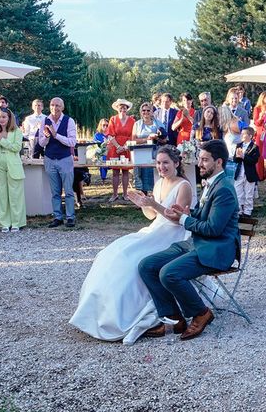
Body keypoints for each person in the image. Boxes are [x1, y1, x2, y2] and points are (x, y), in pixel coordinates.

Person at [70, 146, 193, 344]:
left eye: (165, 163)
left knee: (130, 260)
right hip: (155, 230)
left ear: (176, 163)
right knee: (112, 253)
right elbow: (153, 216)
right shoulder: (160, 182)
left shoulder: (183, 186)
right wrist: (145, 206)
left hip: (173, 235)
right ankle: (99, 313)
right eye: (158, 163)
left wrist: (152, 204)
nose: (161, 167)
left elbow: (177, 219)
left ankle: (130, 314)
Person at [138, 140, 240, 341]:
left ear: (218, 162)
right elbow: (205, 217)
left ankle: (201, 313)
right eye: (200, 159)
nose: (199, 164)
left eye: (204, 160)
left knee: (169, 273)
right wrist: (186, 213)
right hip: (198, 243)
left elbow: (214, 228)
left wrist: (185, 219)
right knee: (146, 265)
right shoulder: (213, 183)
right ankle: (173, 318)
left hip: (217, 250)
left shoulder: (224, 190)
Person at [0, 107, 26, 232]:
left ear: (9, 118)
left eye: (4, 117)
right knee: (1, 194)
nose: (1, 119)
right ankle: (4, 223)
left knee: (15, 194)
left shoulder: (16, 131)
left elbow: (16, 148)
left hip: (13, 165)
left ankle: (16, 222)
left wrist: (2, 140)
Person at [38, 97, 77, 228]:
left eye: (58, 105)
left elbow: (72, 142)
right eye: (53, 105)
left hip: (65, 159)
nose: (55, 108)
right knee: (55, 191)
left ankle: (70, 217)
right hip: (50, 158)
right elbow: (41, 143)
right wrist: (47, 137)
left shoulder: (69, 121)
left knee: (68, 190)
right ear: (50, 106)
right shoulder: (45, 120)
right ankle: (58, 217)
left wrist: (56, 135)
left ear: (62, 107)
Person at [131, 103, 166, 194]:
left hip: (155, 152)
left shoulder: (159, 123)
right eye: (143, 110)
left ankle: (156, 196)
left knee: (155, 174)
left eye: (148, 110)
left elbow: (165, 140)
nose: (146, 112)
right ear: (141, 112)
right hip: (140, 153)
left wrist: (157, 138)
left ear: (152, 112)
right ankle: (143, 197)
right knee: (141, 175)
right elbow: (134, 140)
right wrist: (147, 139)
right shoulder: (137, 124)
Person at [106, 99, 135, 202]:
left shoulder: (132, 120)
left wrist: (125, 147)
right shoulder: (113, 119)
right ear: (117, 109)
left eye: (124, 107)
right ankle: (114, 194)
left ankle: (125, 194)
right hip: (115, 147)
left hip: (127, 147)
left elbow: (133, 135)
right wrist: (118, 146)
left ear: (127, 109)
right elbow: (110, 134)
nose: (122, 109)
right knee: (115, 171)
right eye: (120, 107)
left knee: (126, 171)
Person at [233, 127, 260, 218]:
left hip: (249, 172)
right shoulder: (239, 145)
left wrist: (243, 156)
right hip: (240, 172)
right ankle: (239, 210)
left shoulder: (255, 147)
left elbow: (254, 161)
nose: (241, 135)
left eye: (244, 134)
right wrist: (237, 156)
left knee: (249, 192)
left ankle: (248, 211)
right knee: (238, 191)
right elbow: (235, 159)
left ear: (250, 136)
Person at [252, 91, 266, 181]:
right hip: (260, 133)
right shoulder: (257, 108)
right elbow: (256, 123)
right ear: (262, 98)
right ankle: (259, 174)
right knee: (259, 154)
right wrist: (261, 117)